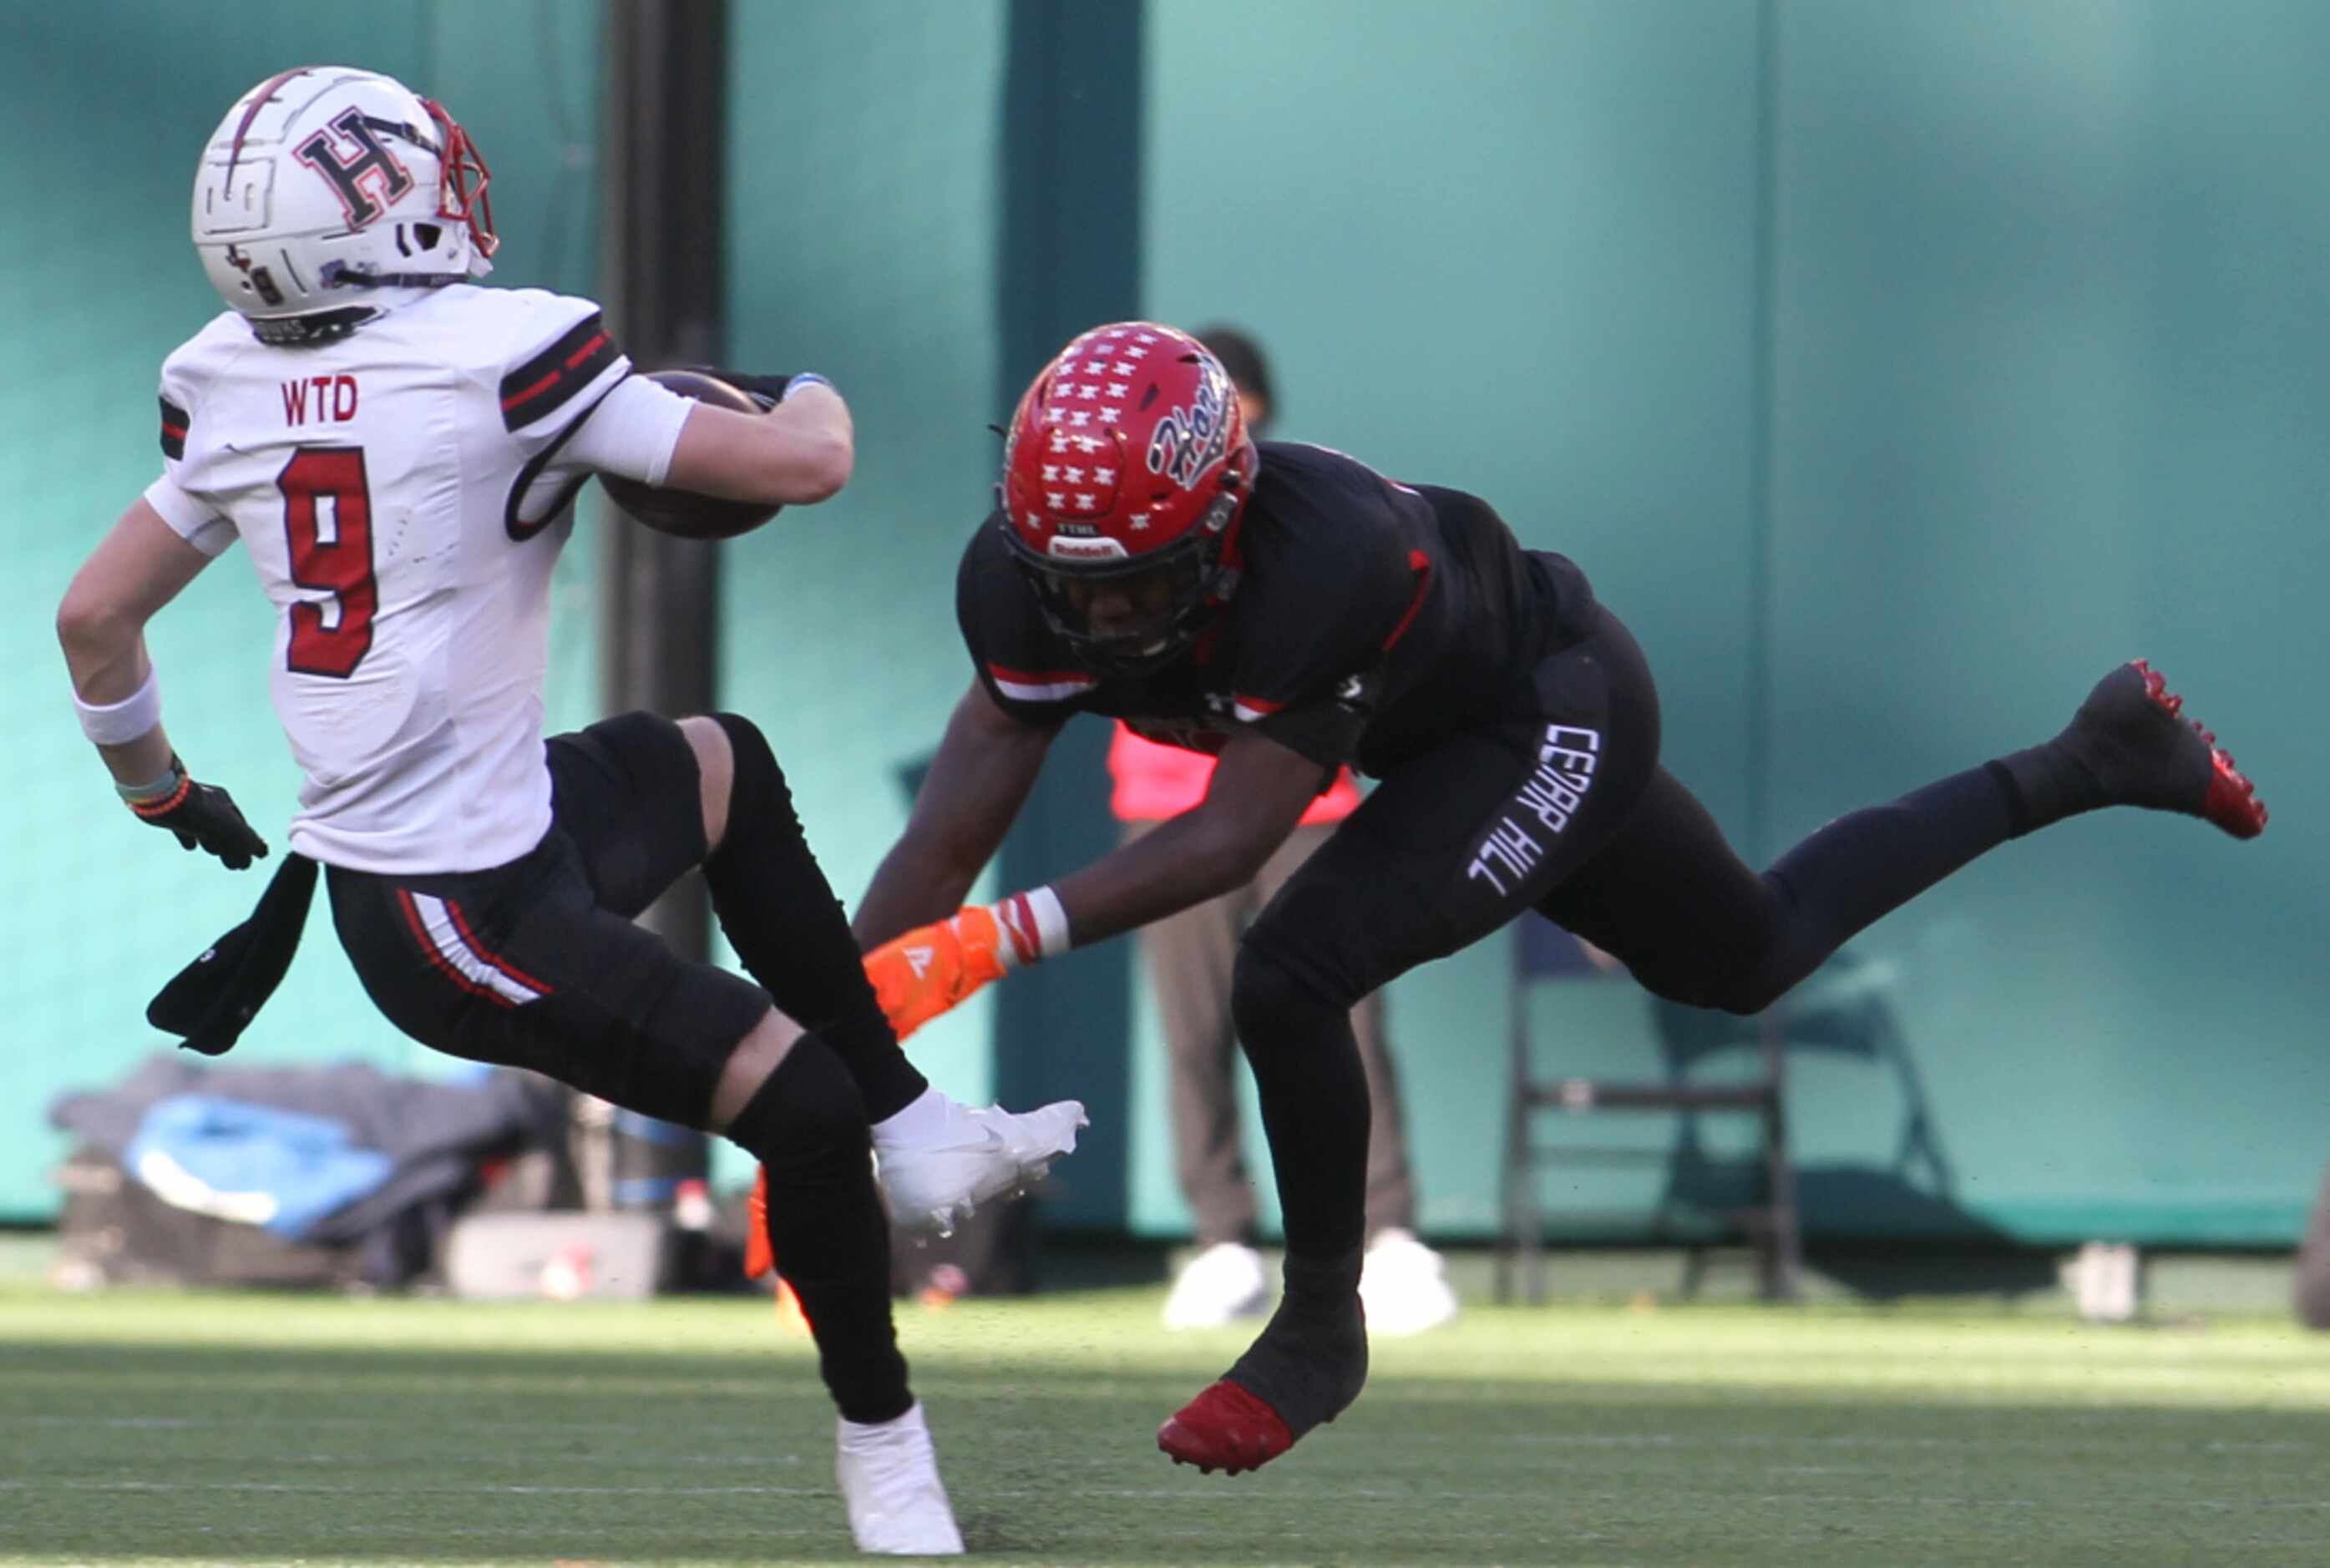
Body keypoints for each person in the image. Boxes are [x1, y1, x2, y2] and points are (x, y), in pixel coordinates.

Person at [848, 320, 2267, 1476]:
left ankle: (1321, 1325)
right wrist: (822, 1044)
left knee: (1287, 968)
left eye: (1130, 586)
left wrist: (991, 943)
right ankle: (2097, 756)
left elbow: (1228, 838)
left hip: (1544, 707)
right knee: (1751, 949)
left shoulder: (1324, 555)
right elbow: (937, 843)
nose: (1094, 623)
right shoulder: (1026, 587)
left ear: (1221, 515)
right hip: (1436, 736)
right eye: (1066, 586)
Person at [54, 66, 1083, 1555]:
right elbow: (811, 460)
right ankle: (889, 1454)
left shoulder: (221, 373)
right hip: (461, 913)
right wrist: (801, 383)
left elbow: (96, 620)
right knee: (798, 1108)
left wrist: (155, 785)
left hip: (474, 844)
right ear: (387, 217)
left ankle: (918, 1122)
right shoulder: (505, 351)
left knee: (717, 759)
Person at [1114, 326, 1453, 1335]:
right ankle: (1222, 1241)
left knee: (1347, 1017)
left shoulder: (1307, 525)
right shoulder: (1128, 527)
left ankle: (1384, 1237)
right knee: (1194, 1031)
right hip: (1169, 807)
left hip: (1310, 804)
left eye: (1245, 425)